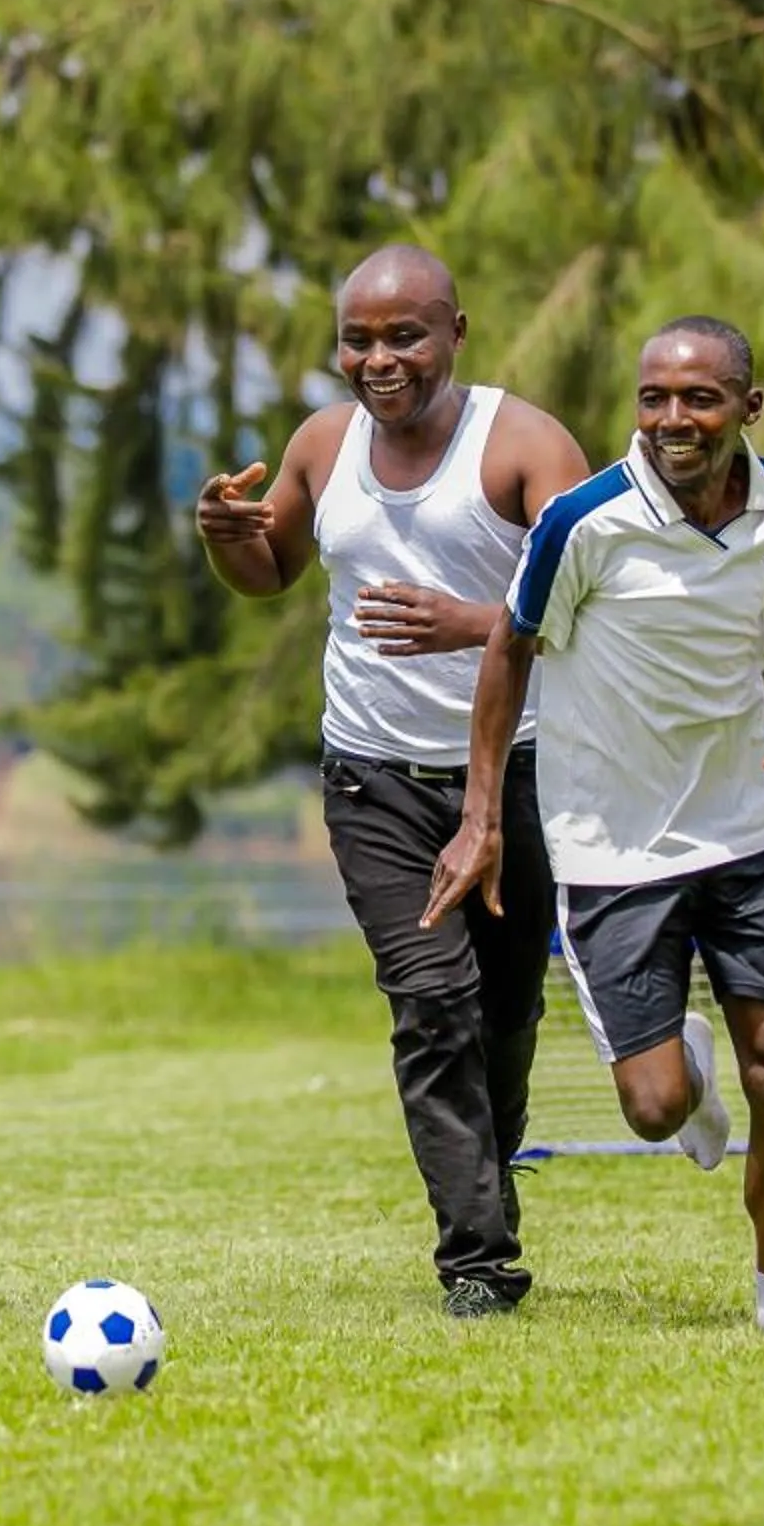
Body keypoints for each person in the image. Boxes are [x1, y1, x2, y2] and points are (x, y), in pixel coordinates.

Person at [425, 315, 764, 1338]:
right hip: (611, 846)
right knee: (655, 1107)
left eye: (700, 398)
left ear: (749, 407)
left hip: (749, 827)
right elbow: (508, 651)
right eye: (654, 397)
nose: (673, 418)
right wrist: (483, 817)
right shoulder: (585, 520)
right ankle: (688, 1068)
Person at [196, 245, 592, 1318]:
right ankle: (478, 1260)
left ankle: (485, 1175)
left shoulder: (525, 446)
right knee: (432, 1001)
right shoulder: (323, 446)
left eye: (405, 336)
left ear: (456, 332)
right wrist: (225, 539)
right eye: (358, 340)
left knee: (505, 1012)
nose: (380, 360)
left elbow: (606, 606)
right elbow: (270, 572)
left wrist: (477, 623)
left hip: (517, 776)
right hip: (373, 780)